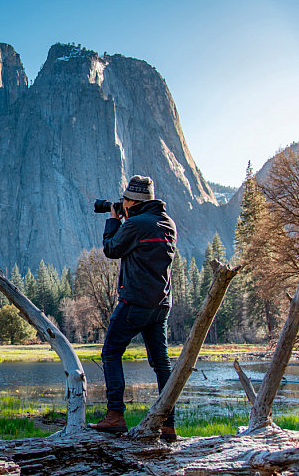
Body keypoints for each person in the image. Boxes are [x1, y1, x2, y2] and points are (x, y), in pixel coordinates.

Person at [88, 175, 178, 442]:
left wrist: (114, 220)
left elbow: (111, 249)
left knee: (111, 353)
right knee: (161, 363)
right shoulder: (167, 223)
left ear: (133, 202)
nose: (121, 202)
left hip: (134, 302)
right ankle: (169, 424)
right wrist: (126, 217)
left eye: (124, 199)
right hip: (161, 304)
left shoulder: (135, 224)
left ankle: (115, 415)